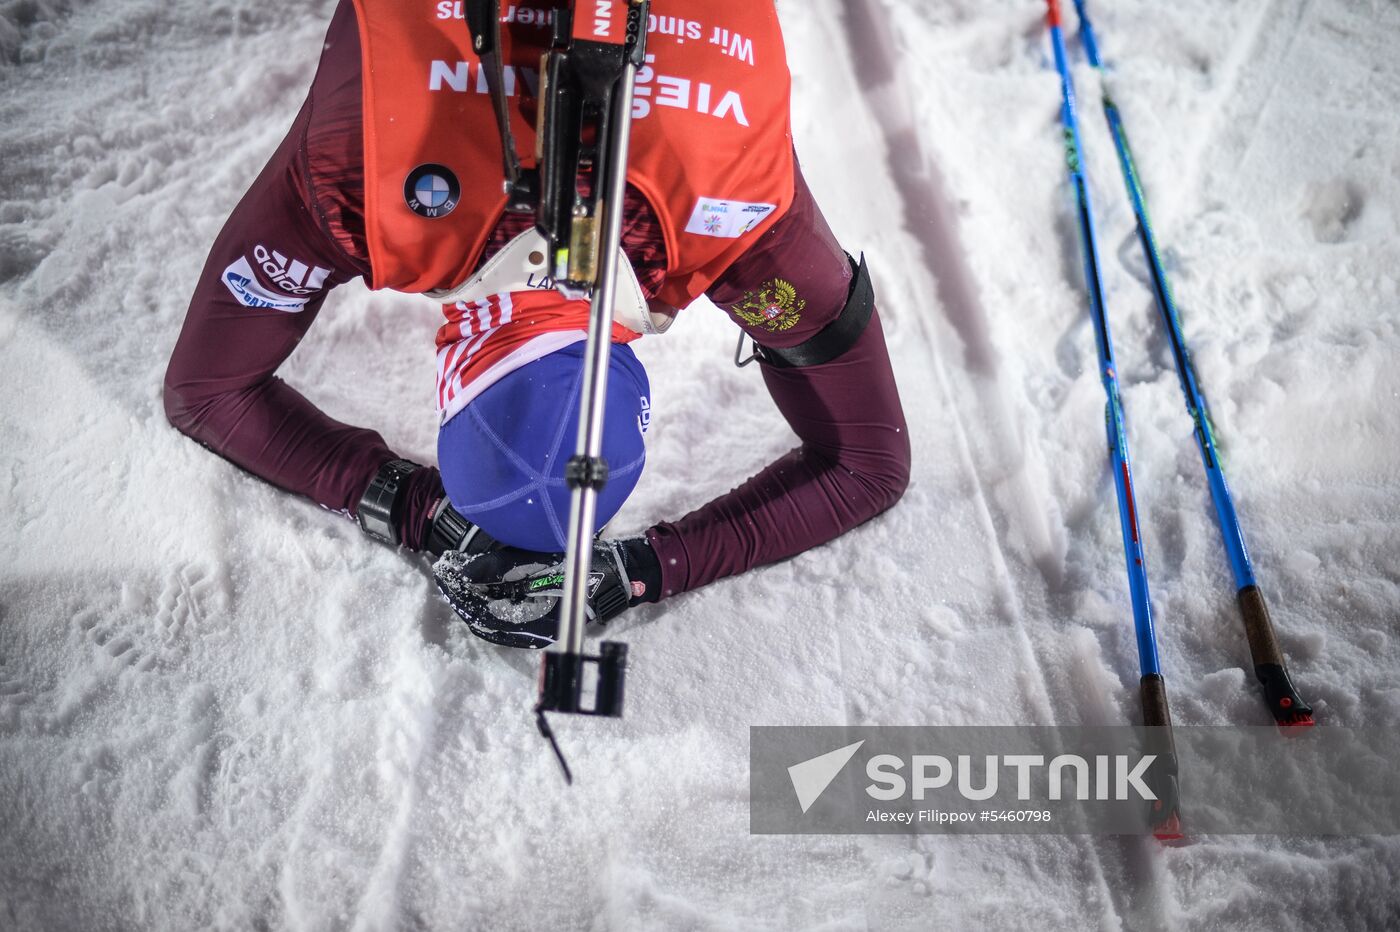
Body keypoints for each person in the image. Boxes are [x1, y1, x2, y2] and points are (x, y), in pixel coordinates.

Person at [163, 0, 910, 648]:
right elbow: (204, 395)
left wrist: (642, 569)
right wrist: (636, 568)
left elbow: (872, 465)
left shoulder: (741, 224)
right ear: (454, 378)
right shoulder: (358, 178)